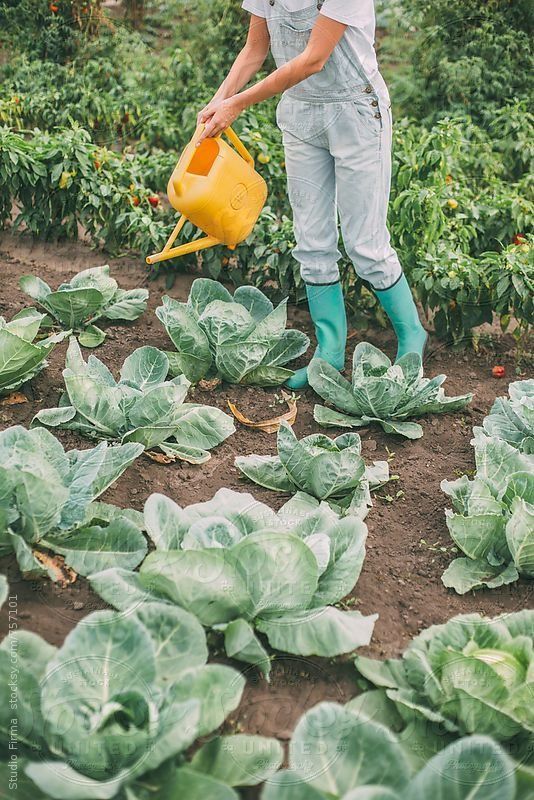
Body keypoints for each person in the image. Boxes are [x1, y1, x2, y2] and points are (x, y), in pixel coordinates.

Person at [197, 0, 428, 389]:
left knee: (366, 245)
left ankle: (411, 336)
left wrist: (236, 105)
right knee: (312, 243)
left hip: (355, 113)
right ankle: (330, 353)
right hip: (302, 116)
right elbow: (255, 48)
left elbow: (312, 60)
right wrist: (218, 102)